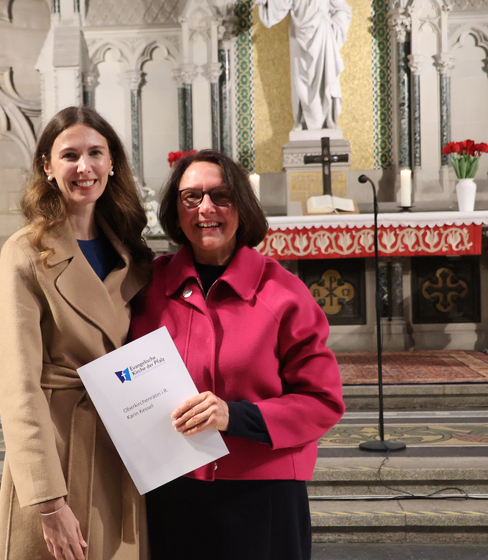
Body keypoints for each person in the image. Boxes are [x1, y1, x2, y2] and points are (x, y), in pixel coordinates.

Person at [129, 149, 345, 560]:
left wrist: (235, 415)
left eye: (220, 196)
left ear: (241, 207)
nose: (205, 208)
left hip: (261, 494)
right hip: (171, 488)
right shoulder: (147, 286)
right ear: (176, 212)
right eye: (191, 197)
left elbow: (323, 401)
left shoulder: (283, 293)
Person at [0, 106, 153, 560]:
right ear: (47, 166)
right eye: (69, 155)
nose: (85, 167)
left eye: (96, 153)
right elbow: (18, 388)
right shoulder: (25, 254)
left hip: (121, 440)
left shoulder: (130, 250)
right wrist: (47, 502)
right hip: (59, 448)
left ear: (113, 162)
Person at [256, 0, 352, 133]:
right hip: (299, 34)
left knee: (326, 74)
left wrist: (333, 24)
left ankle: (328, 118)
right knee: (301, 80)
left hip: (323, 31)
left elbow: (343, 9)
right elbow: (282, 3)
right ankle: (302, 120)